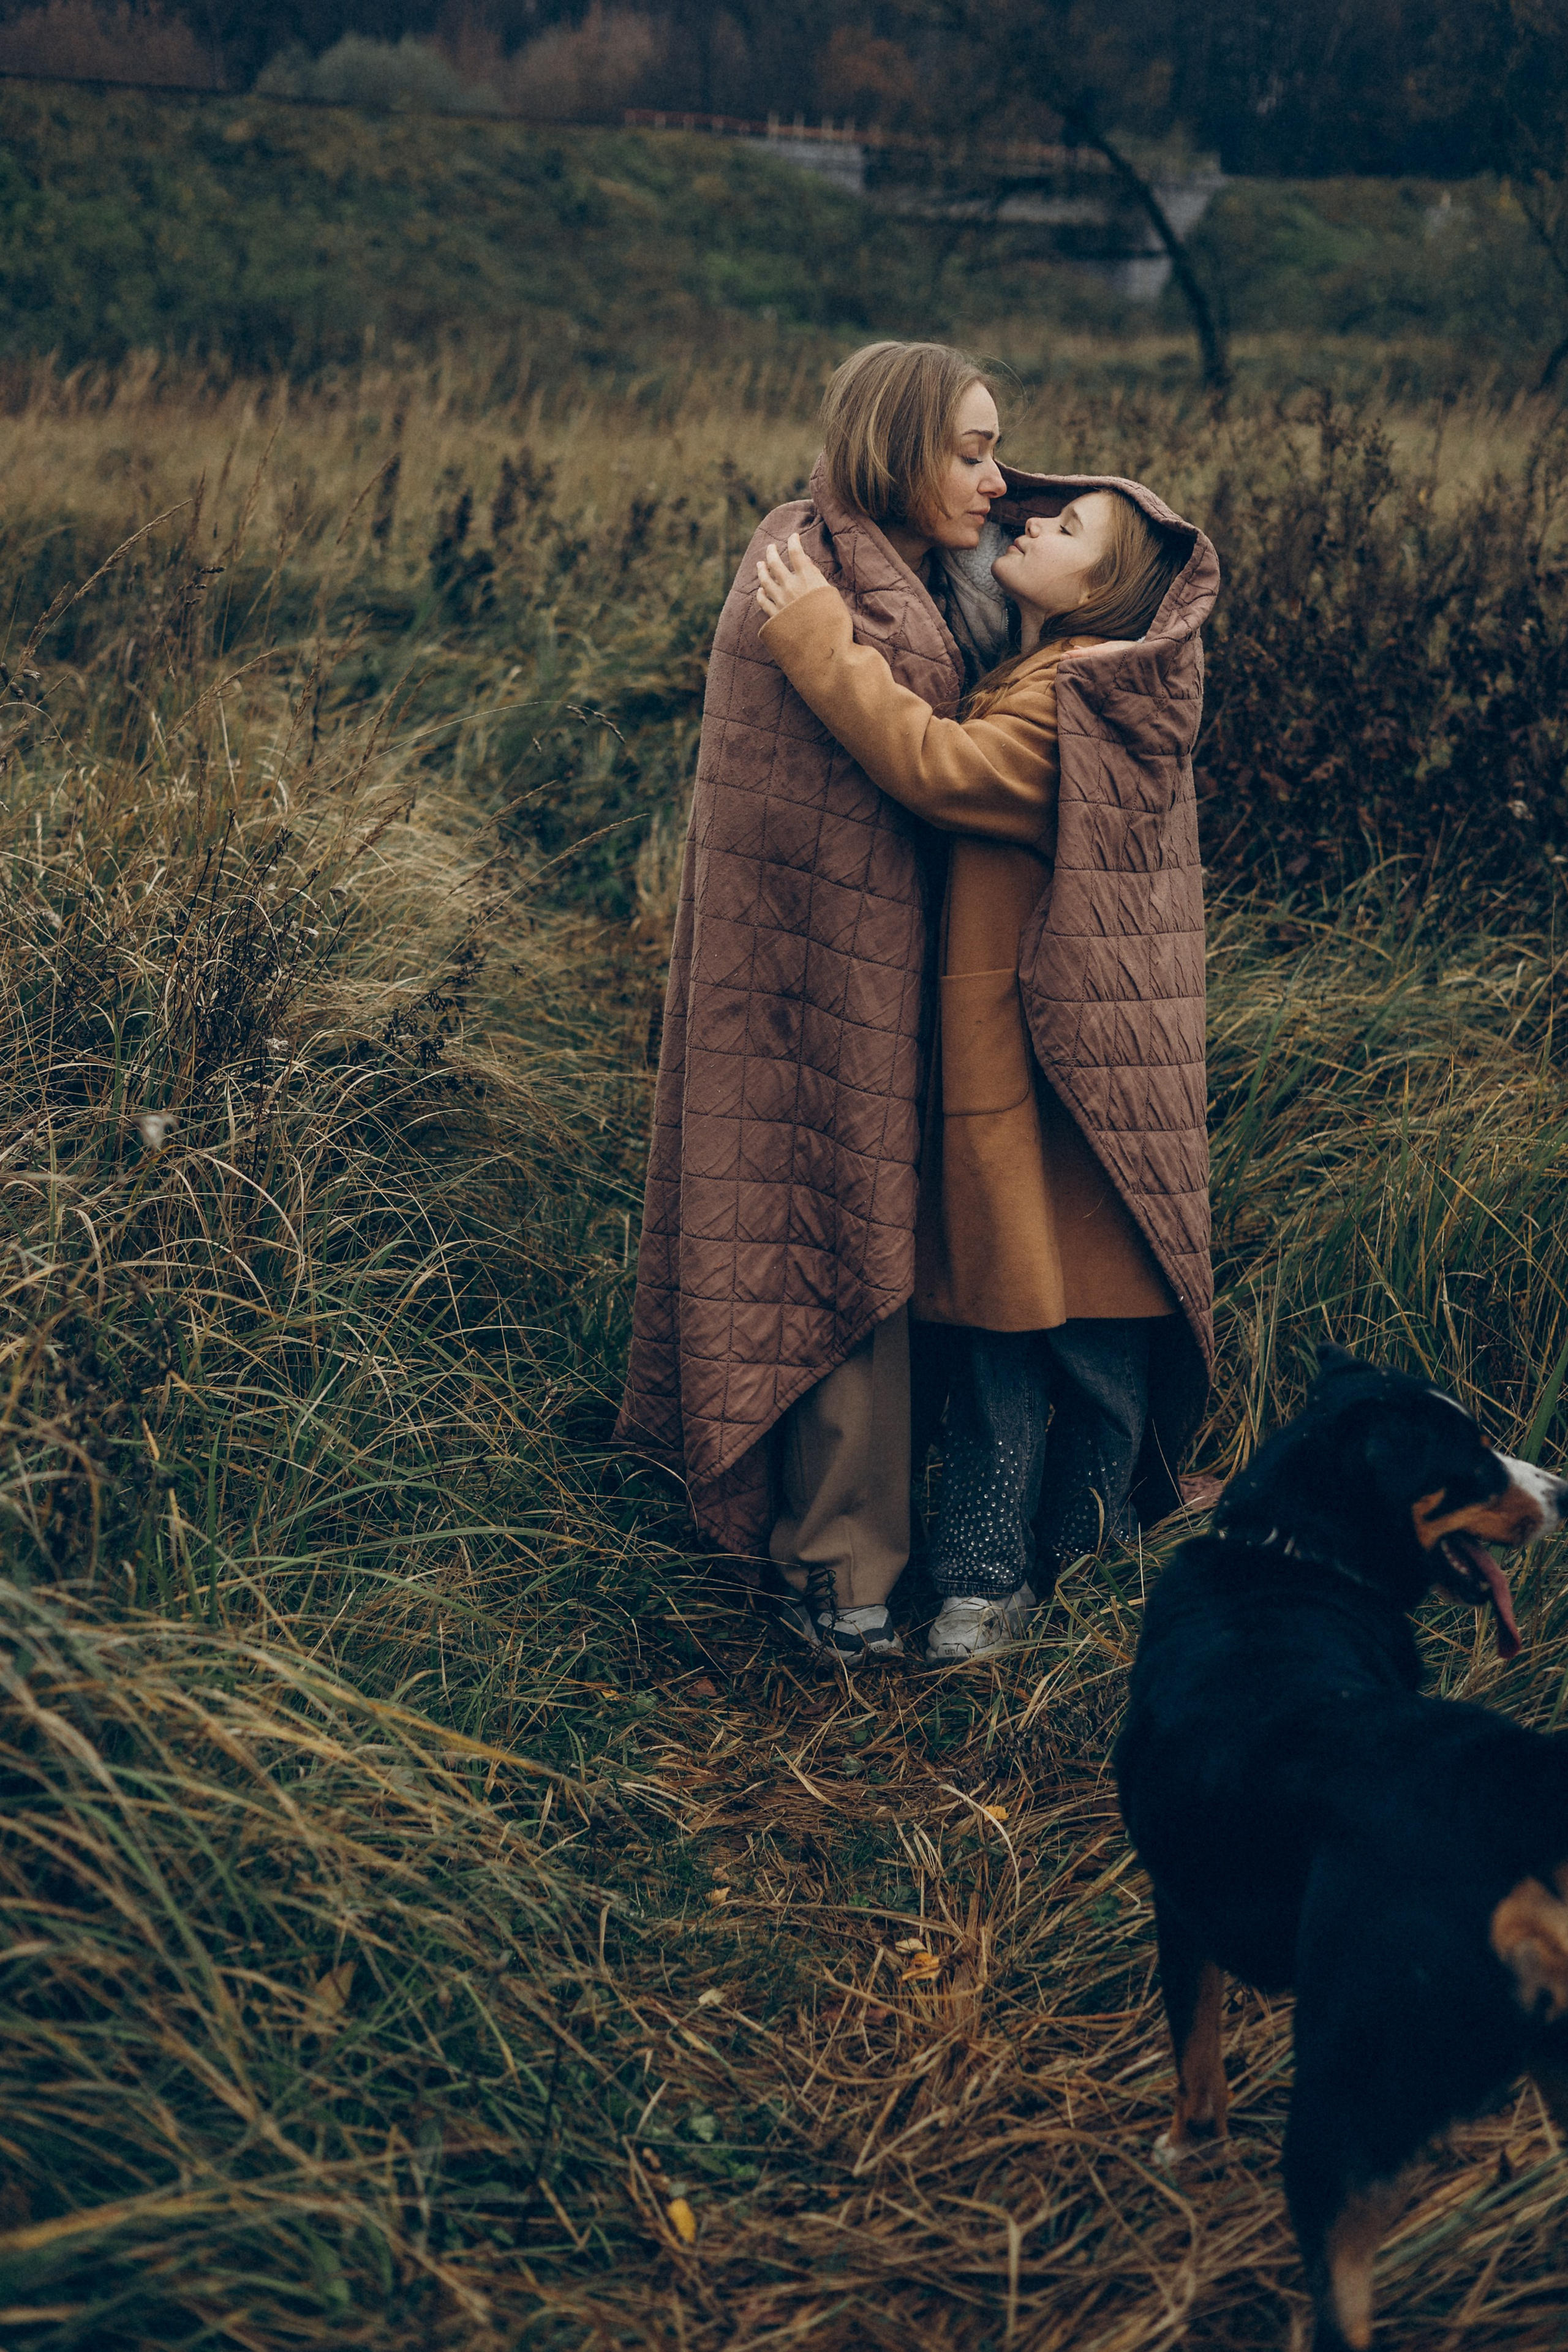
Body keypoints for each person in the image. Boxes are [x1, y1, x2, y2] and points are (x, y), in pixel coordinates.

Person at [753, 472, 1219, 1660]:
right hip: (1048, 1081)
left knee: (1040, 1352)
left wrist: (813, 637)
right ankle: (1019, 1579)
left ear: (1104, 594)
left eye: (1064, 531)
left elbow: (933, 766)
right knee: (1038, 1340)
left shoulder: (1071, 702)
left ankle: (1034, 1582)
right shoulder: (1044, 676)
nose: (1027, 522)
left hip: (1052, 1091)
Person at [616, 341, 1010, 1664]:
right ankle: (838, 1583)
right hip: (807, 980)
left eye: (995, 449)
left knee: (879, 1255)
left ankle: (868, 1570)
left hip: (915, 984)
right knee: (829, 1248)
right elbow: (880, 776)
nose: (994, 479)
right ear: (895, 449)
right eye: (966, 450)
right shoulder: (802, 577)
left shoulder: (909, 576)